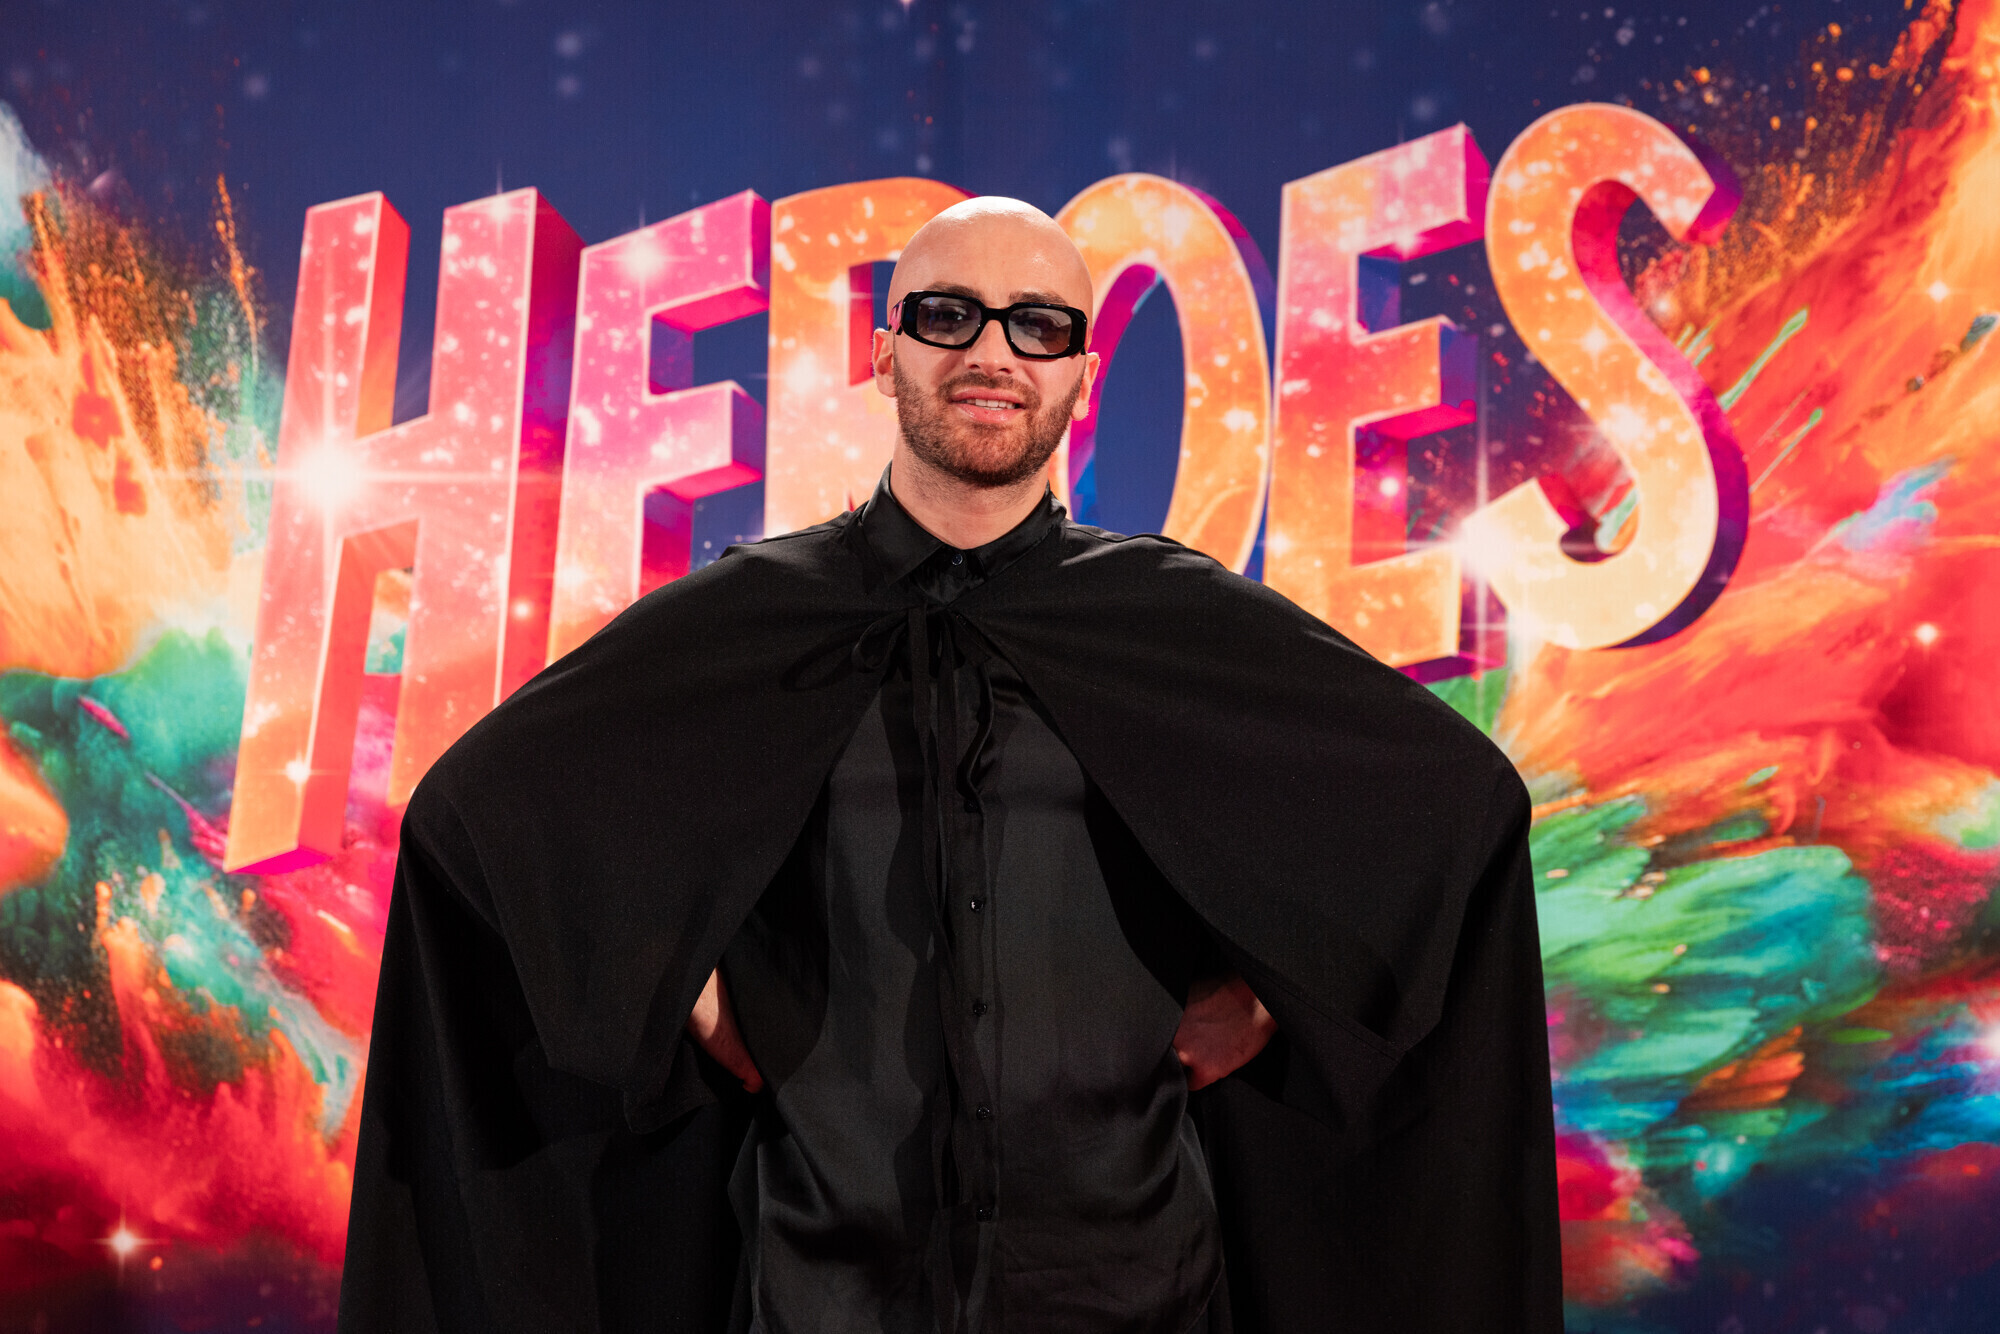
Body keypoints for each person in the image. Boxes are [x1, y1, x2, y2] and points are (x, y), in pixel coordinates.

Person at [338, 198, 1561, 1334]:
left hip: (1133, 1291)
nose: (991, 352)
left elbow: (1453, 812)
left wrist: (1266, 991)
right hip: (822, 1291)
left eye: (1038, 326)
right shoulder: (752, 620)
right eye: (946, 315)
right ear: (884, 356)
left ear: (1080, 374)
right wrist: (687, 988)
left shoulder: (1171, 621)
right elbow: (478, 820)